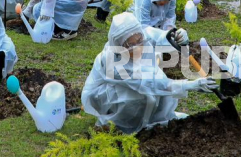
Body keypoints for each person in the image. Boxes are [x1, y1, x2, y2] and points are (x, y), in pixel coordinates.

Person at [81, 12, 217, 134]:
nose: (137, 47)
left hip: (142, 83)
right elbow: (151, 84)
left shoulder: (142, 36)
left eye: (139, 41)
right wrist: (190, 85)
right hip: (104, 98)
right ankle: (124, 125)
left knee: (157, 86)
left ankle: (157, 119)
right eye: (129, 44)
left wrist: (177, 35)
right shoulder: (112, 61)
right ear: (118, 45)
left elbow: (160, 37)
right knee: (136, 94)